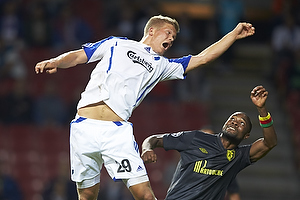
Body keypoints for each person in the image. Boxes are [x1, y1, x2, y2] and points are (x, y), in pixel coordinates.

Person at [34, 15, 255, 200]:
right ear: (151, 31)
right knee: (87, 196)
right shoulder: (116, 43)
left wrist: (234, 34)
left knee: (146, 196)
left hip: (116, 131)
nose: (171, 38)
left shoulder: (162, 65)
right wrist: (55, 61)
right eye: (168, 32)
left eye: (174, 37)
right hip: (83, 127)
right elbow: (79, 56)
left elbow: (203, 58)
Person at [141, 85, 277, 200]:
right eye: (232, 119)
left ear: (246, 135)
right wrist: (147, 149)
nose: (235, 122)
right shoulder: (195, 138)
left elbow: (269, 143)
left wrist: (262, 110)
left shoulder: (239, 157)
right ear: (224, 124)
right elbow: (154, 139)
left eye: (242, 123)